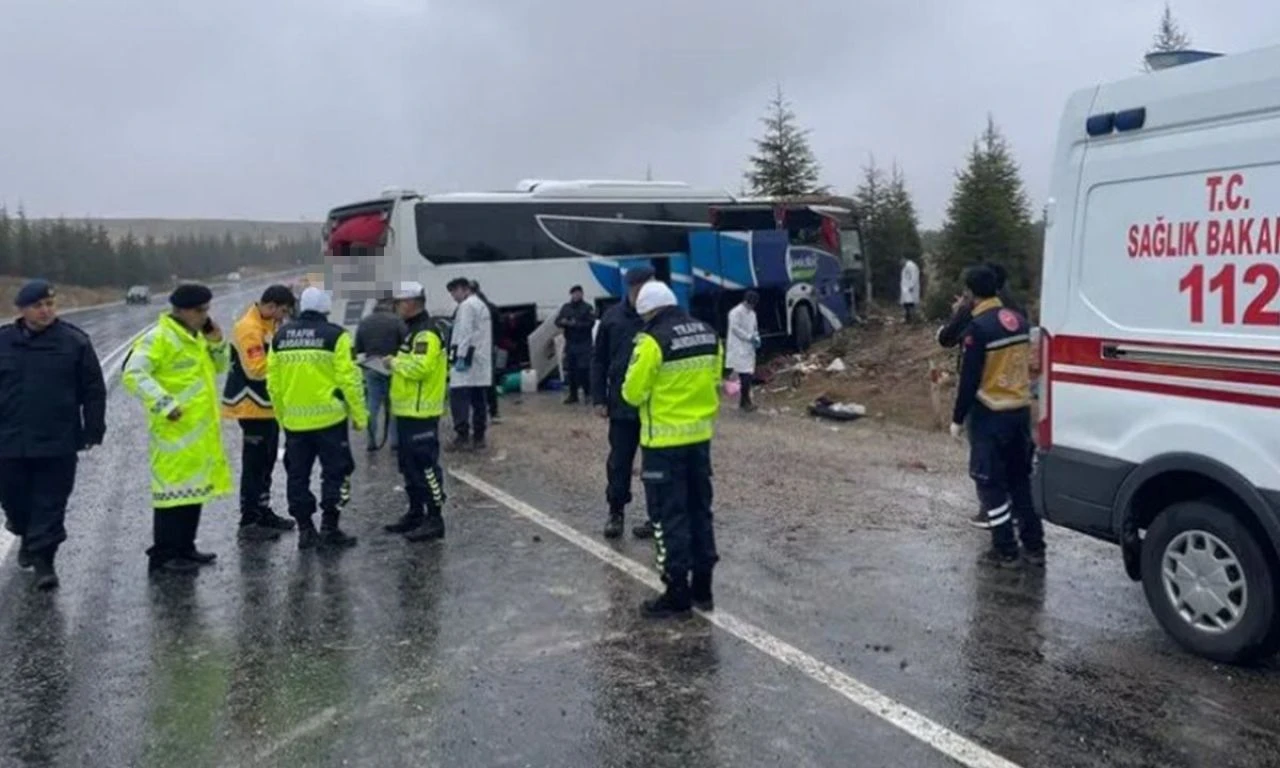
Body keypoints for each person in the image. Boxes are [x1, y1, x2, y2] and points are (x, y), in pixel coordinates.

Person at [622, 281, 724, 618]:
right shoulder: (708, 334)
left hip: (662, 444)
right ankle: (703, 588)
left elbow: (633, 393)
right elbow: (715, 380)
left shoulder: (651, 340)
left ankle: (676, 591)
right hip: (699, 440)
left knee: (668, 517)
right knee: (700, 511)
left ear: (648, 311)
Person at [0, 280, 106, 590]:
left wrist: (94, 428)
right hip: (8, 440)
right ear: (21, 310)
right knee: (14, 502)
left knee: (51, 502)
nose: (45, 311)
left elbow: (93, 389)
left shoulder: (75, 342)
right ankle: (25, 532)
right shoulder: (3, 342)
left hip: (57, 438)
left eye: (50, 304)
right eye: (37, 306)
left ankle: (44, 562)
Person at [122, 283, 231, 574]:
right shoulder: (160, 338)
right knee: (171, 496)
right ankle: (164, 555)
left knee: (192, 492)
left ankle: (185, 547)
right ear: (181, 310)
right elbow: (132, 372)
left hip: (199, 432)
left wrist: (217, 342)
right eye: (199, 311)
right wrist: (164, 404)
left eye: (207, 310)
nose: (205, 316)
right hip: (174, 432)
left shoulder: (196, 338)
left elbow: (221, 368)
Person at [949, 265, 1045, 567]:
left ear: (971, 293)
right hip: (1019, 412)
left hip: (990, 414)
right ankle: (1034, 546)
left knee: (990, 485)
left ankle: (1005, 549)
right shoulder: (1018, 320)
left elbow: (969, 380)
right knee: (1020, 483)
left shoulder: (979, 328)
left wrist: (957, 418)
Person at [266, 287, 368, 550]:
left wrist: (282, 416)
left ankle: (305, 530)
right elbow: (350, 380)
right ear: (326, 309)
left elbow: (273, 384)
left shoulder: (280, 337)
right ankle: (330, 527)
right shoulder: (336, 336)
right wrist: (359, 415)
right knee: (337, 474)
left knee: (297, 476)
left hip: (295, 424)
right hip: (330, 421)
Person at [222, 284, 297, 542]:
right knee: (254, 464)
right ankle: (249, 519)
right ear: (271, 305)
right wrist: (289, 367)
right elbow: (256, 369)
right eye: (282, 311)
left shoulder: (268, 324)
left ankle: (264, 510)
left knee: (266, 462)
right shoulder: (249, 328)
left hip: (268, 406)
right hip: (252, 405)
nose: (283, 317)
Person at [592, 266, 656, 540]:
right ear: (630, 288)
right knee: (619, 462)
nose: (644, 292)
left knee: (656, 464)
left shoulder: (658, 318)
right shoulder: (612, 318)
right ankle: (615, 512)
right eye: (639, 287)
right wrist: (598, 398)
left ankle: (657, 516)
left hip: (655, 406)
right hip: (621, 405)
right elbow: (599, 360)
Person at [382, 281, 449, 541]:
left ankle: (435, 517)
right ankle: (415, 512)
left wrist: (393, 362)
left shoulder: (426, 333)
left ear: (411, 303)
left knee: (426, 466)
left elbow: (420, 368)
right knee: (408, 466)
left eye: (398, 303)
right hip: (408, 410)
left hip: (422, 411)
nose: (397, 307)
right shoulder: (413, 331)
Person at [355, 296, 408, 451]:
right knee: (394, 405)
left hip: (372, 366)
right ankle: (395, 442)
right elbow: (406, 342)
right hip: (393, 366)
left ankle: (371, 441)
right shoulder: (397, 320)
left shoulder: (365, 322)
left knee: (372, 404)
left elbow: (359, 347)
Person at [445, 278, 492, 451]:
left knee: (459, 400)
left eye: (453, 292)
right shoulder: (481, 305)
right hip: (480, 361)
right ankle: (479, 436)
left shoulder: (466, 306)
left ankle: (462, 435)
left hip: (467, 362)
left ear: (462, 289)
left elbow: (464, 332)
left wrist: (460, 356)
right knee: (479, 400)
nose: (453, 297)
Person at [555, 285, 596, 404]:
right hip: (570, 343)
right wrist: (564, 323)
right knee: (571, 369)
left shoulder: (587, 308)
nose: (576, 295)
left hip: (584, 343)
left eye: (578, 293)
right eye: (574, 293)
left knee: (584, 369)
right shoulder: (566, 307)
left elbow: (590, 323)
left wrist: (575, 324)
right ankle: (573, 395)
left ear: (582, 294)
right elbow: (557, 321)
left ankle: (588, 393)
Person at [471, 280, 502, 422]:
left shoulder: (470, 307)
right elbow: (500, 327)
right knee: (489, 380)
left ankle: (482, 411)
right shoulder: (491, 307)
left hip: (477, 349)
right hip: (488, 347)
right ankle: (493, 411)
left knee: (478, 381)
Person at [725, 291, 761, 412]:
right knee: (745, 376)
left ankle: (744, 401)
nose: (751, 307)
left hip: (748, 348)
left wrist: (756, 338)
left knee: (749, 375)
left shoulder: (752, 314)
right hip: (738, 347)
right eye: (750, 304)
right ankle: (746, 402)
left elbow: (755, 328)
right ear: (746, 301)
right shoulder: (735, 313)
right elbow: (735, 329)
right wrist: (748, 337)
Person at [900, 258, 921, 323]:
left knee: (911, 304)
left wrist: (911, 286)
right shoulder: (906, 267)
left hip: (910, 289)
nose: (900, 264)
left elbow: (914, 276)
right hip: (906, 289)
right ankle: (907, 319)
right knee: (906, 304)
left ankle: (913, 319)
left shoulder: (911, 266)